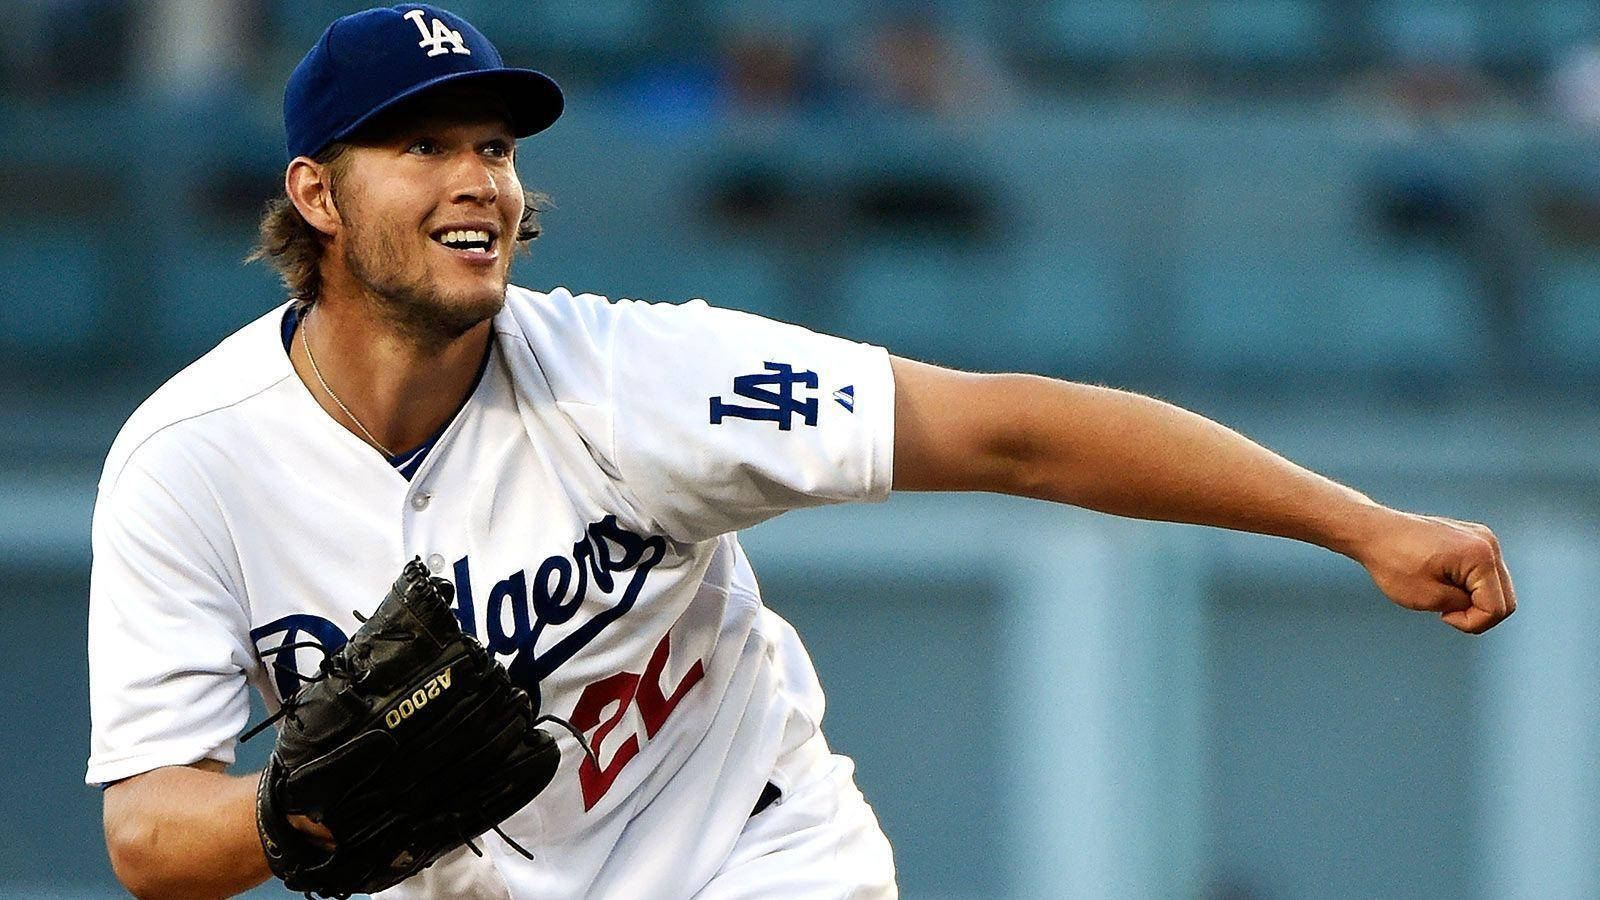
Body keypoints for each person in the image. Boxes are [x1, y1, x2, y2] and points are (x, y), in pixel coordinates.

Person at [87, 5, 1516, 898]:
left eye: (495, 146)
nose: (480, 180)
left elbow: (1010, 432)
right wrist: (298, 813)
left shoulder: (636, 382)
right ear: (315, 196)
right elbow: (151, 834)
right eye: (422, 147)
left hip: (754, 857)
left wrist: (1360, 525)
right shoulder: (190, 465)